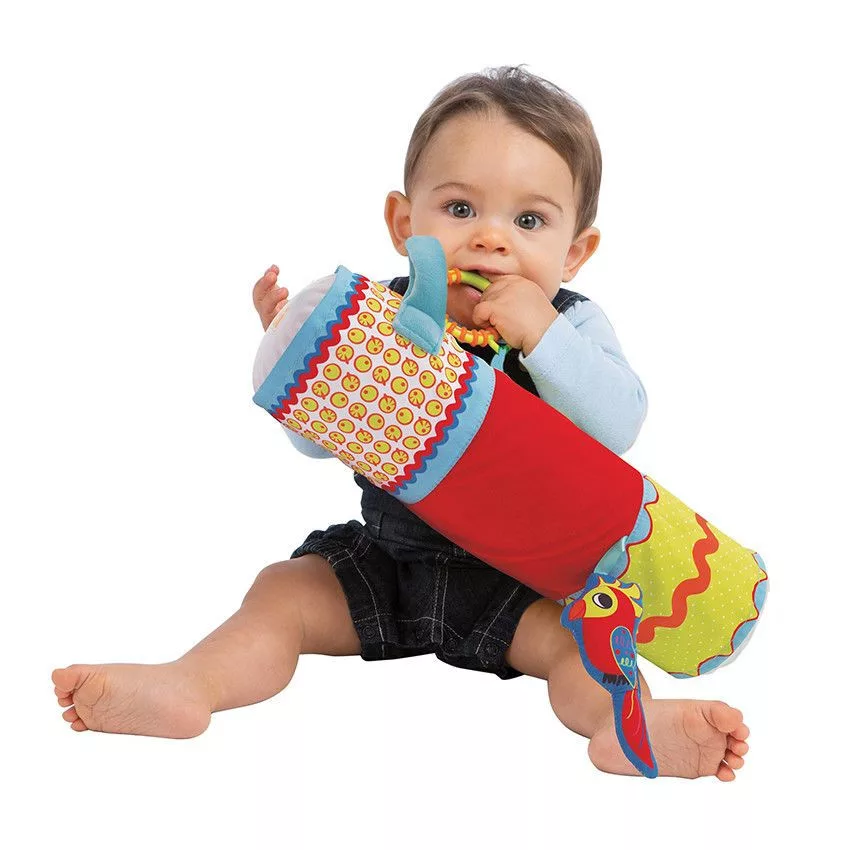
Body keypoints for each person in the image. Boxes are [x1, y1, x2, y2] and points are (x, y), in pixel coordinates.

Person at [52, 66, 749, 780]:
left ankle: (624, 726)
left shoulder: (570, 323)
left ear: (574, 251)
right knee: (281, 593)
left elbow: (618, 426)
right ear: (404, 224)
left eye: (529, 221)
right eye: (459, 209)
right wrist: (298, 357)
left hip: (521, 587)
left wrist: (544, 339)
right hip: (388, 565)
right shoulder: (380, 316)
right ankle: (189, 685)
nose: (491, 240)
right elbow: (313, 444)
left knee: (586, 646)